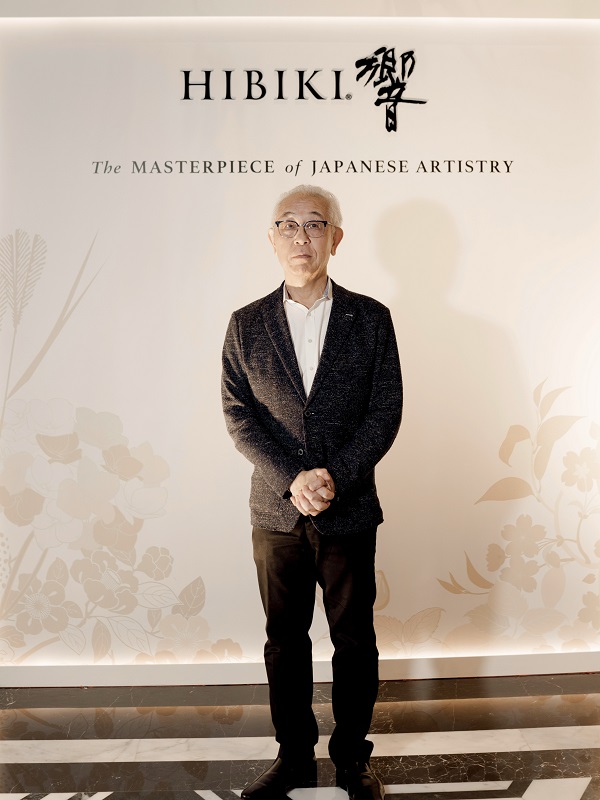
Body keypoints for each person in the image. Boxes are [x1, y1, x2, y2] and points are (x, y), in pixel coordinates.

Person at [221, 185, 403, 800]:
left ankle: (353, 760)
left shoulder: (370, 318)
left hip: (348, 509)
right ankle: (294, 757)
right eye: (289, 225)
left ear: (336, 238)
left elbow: (385, 412)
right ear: (272, 238)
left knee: (354, 640)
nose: (302, 237)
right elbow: (239, 414)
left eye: (316, 224)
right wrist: (292, 479)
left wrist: (335, 477)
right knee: (284, 640)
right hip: (276, 513)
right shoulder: (245, 324)